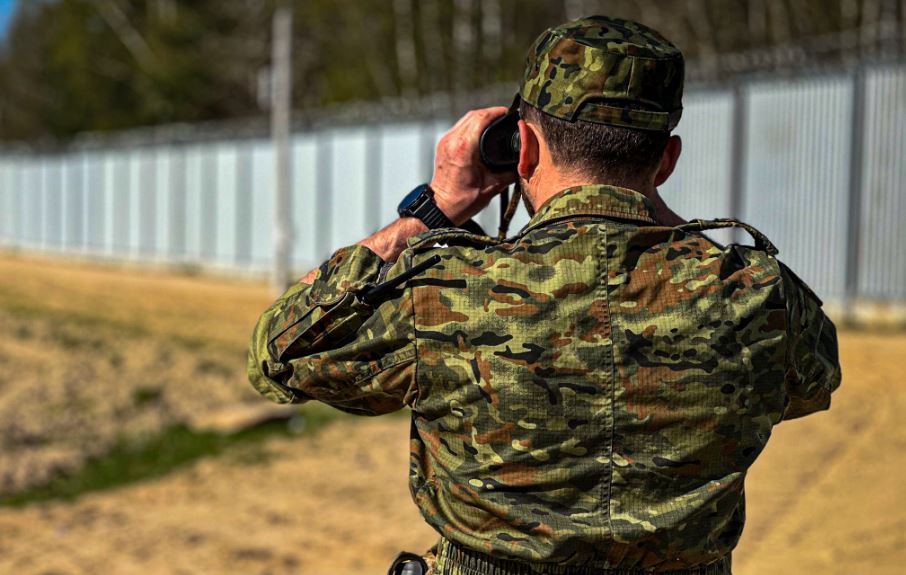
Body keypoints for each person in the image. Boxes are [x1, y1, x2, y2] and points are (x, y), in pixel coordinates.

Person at [247, 16, 841, 575]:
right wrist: (654, 213)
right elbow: (815, 381)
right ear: (667, 160)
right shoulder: (756, 295)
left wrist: (435, 208)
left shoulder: (445, 292)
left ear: (522, 148)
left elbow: (279, 353)